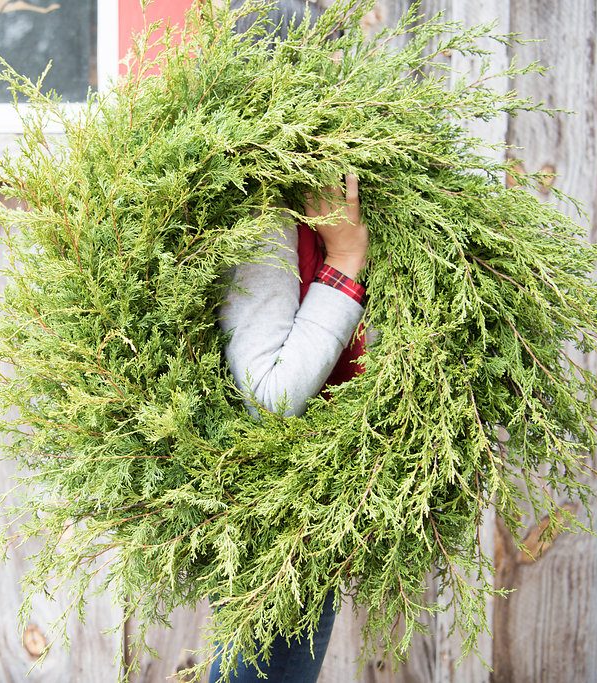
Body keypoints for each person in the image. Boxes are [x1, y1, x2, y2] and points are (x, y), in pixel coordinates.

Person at [209, 5, 370, 681]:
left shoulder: (312, 183)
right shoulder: (263, 208)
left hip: (315, 508)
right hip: (280, 512)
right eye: (333, 62)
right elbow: (271, 394)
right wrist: (348, 258)